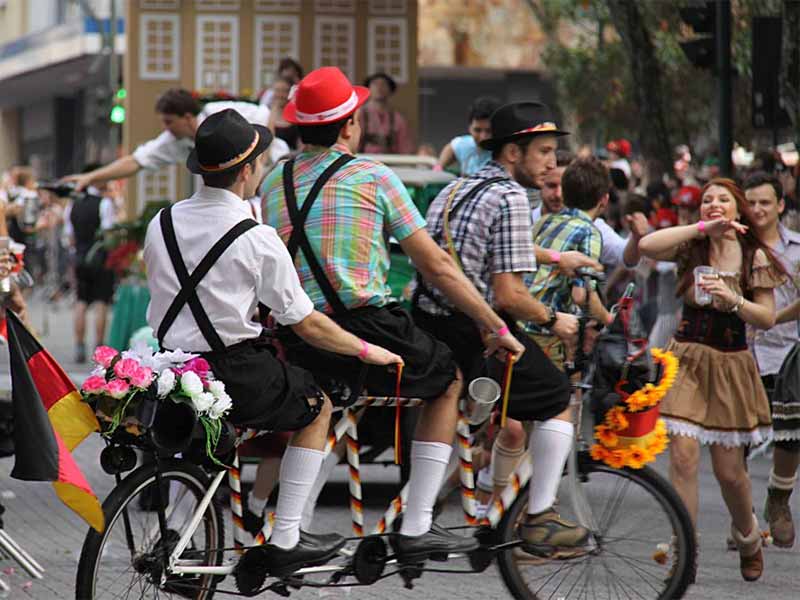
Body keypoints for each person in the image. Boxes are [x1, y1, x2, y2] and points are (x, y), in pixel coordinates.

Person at [261, 66, 524, 562]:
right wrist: (494, 324)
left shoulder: (275, 180)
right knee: (446, 378)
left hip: (301, 330)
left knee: (319, 405)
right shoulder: (374, 176)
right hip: (366, 324)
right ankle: (418, 524)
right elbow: (436, 265)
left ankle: (288, 535)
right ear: (348, 126)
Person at [143, 109, 404, 584]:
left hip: (168, 367)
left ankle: (177, 533)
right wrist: (368, 351)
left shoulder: (160, 223)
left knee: (201, 444)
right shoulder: (256, 237)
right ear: (247, 170)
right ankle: (286, 539)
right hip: (232, 371)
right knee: (316, 406)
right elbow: (306, 324)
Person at [413, 102, 603, 557]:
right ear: (513, 153)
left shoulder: (458, 188)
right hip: (472, 330)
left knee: (488, 414)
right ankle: (540, 517)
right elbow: (508, 294)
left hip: (429, 322)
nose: (552, 164)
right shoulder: (513, 197)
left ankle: (419, 520)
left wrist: (558, 260)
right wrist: (556, 321)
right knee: (558, 398)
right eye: (543, 152)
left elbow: (486, 253)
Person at [638, 178, 786, 582]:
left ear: (739, 210)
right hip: (686, 357)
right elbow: (647, 247)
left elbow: (767, 317)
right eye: (707, 200)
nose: (714, 204)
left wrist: (734, 299)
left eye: (723, 200)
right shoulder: (692, 244)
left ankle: (749, 536)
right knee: (683, 457)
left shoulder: (755, 255)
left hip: (730, 364)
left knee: (729, 472)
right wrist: (702, 229)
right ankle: (685, 551)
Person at [62, 88, 290, 192]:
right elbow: (135, 162)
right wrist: (90, 177)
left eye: (169, 121)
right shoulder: (174, 140)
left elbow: (265, 117)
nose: (165, 129)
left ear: (188, 117)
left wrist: (262, 159)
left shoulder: (222, 112)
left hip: (274, 171)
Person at [744, 171, 800, 548]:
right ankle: (742, 516)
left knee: (790, 433)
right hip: (743, 355)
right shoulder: (732, 245)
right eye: (751, 202)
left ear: (780, 205)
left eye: (766, 202)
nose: (758, 209)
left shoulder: (797, 249)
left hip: (787, 351)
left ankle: (778, 499)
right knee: (736, 440)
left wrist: (771, 319)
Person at [523, 156, 614, 369]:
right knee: (556, 397)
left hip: (517, 319)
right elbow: (581, 295)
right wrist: (608, 319)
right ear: (604, 200)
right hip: (546, 332)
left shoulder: (544, 221)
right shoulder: (590, 232)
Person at [532, 150, 647, 271]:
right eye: (551, 186)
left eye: (564, 187)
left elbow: (624, 257)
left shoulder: (591, 227)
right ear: (540, 184)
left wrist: (636, 237)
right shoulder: (525, 222)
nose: (558, 194)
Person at [62, 166, 117, 362]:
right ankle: (99, 347)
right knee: (101, 301)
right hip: (100, 259)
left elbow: (69, 236)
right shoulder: (104, 204)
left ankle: (79, 346)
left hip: (79, 258)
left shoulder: (72, 205)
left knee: (81, 301)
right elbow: (109, 233)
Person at [436, 96, 501, 175]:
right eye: (477, 130)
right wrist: (436, 170)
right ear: (469, 128)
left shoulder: (506, 152)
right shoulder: (462, 144)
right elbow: (438, 167)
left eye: (489, 131)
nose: (483, 137)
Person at [357, 72, 413, 154]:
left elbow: (405, 147)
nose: (379, 87)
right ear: (368, 88)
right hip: (363, 163)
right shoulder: (359, 115)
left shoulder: (398, 119)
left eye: (383, 84)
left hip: (390, 163)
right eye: (375, 84)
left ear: (390, 90)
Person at [267, 77, 299, 151]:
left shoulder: (296, 116)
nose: (280, 95)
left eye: (284, 91)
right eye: (277, 90)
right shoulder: (264, 113)